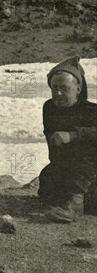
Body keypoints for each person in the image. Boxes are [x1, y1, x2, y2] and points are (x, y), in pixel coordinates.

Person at [39, 56, 97, 223]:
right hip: (66, 166)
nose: (57, 93)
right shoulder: (49, 108)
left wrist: (73, 135)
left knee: (83, 159)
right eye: (54, 88)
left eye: (64, 88)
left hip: (90, 168)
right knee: (47, 180)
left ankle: (75, 206)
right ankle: (74, 199)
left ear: (78, 89)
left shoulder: (91, 111)